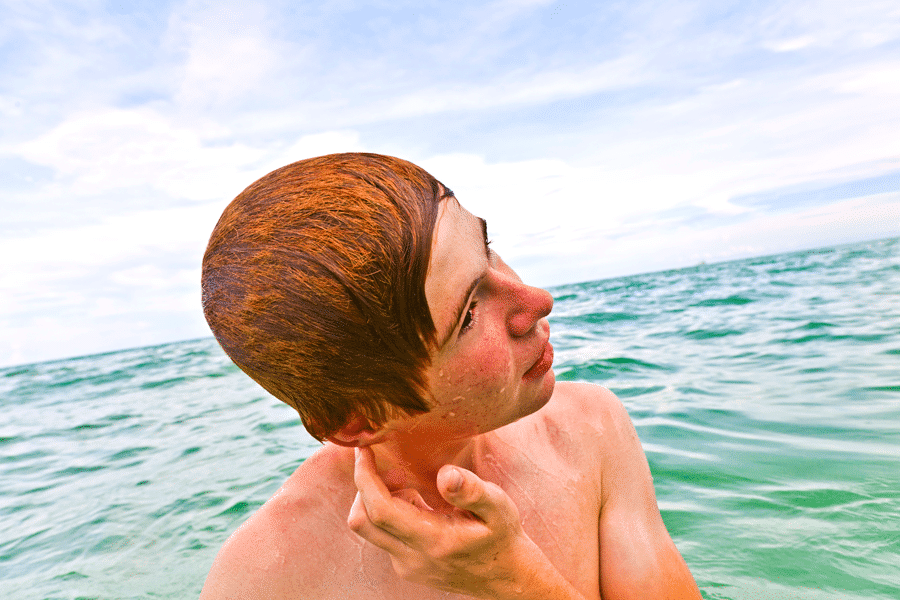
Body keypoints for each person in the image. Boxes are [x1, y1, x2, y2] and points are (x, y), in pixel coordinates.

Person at [199, 153, 702, 600]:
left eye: (488, 248)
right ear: (357, 420)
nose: (537, 300)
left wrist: (517, 582)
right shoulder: (269, 579)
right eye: (467, 315)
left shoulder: (589, 427)